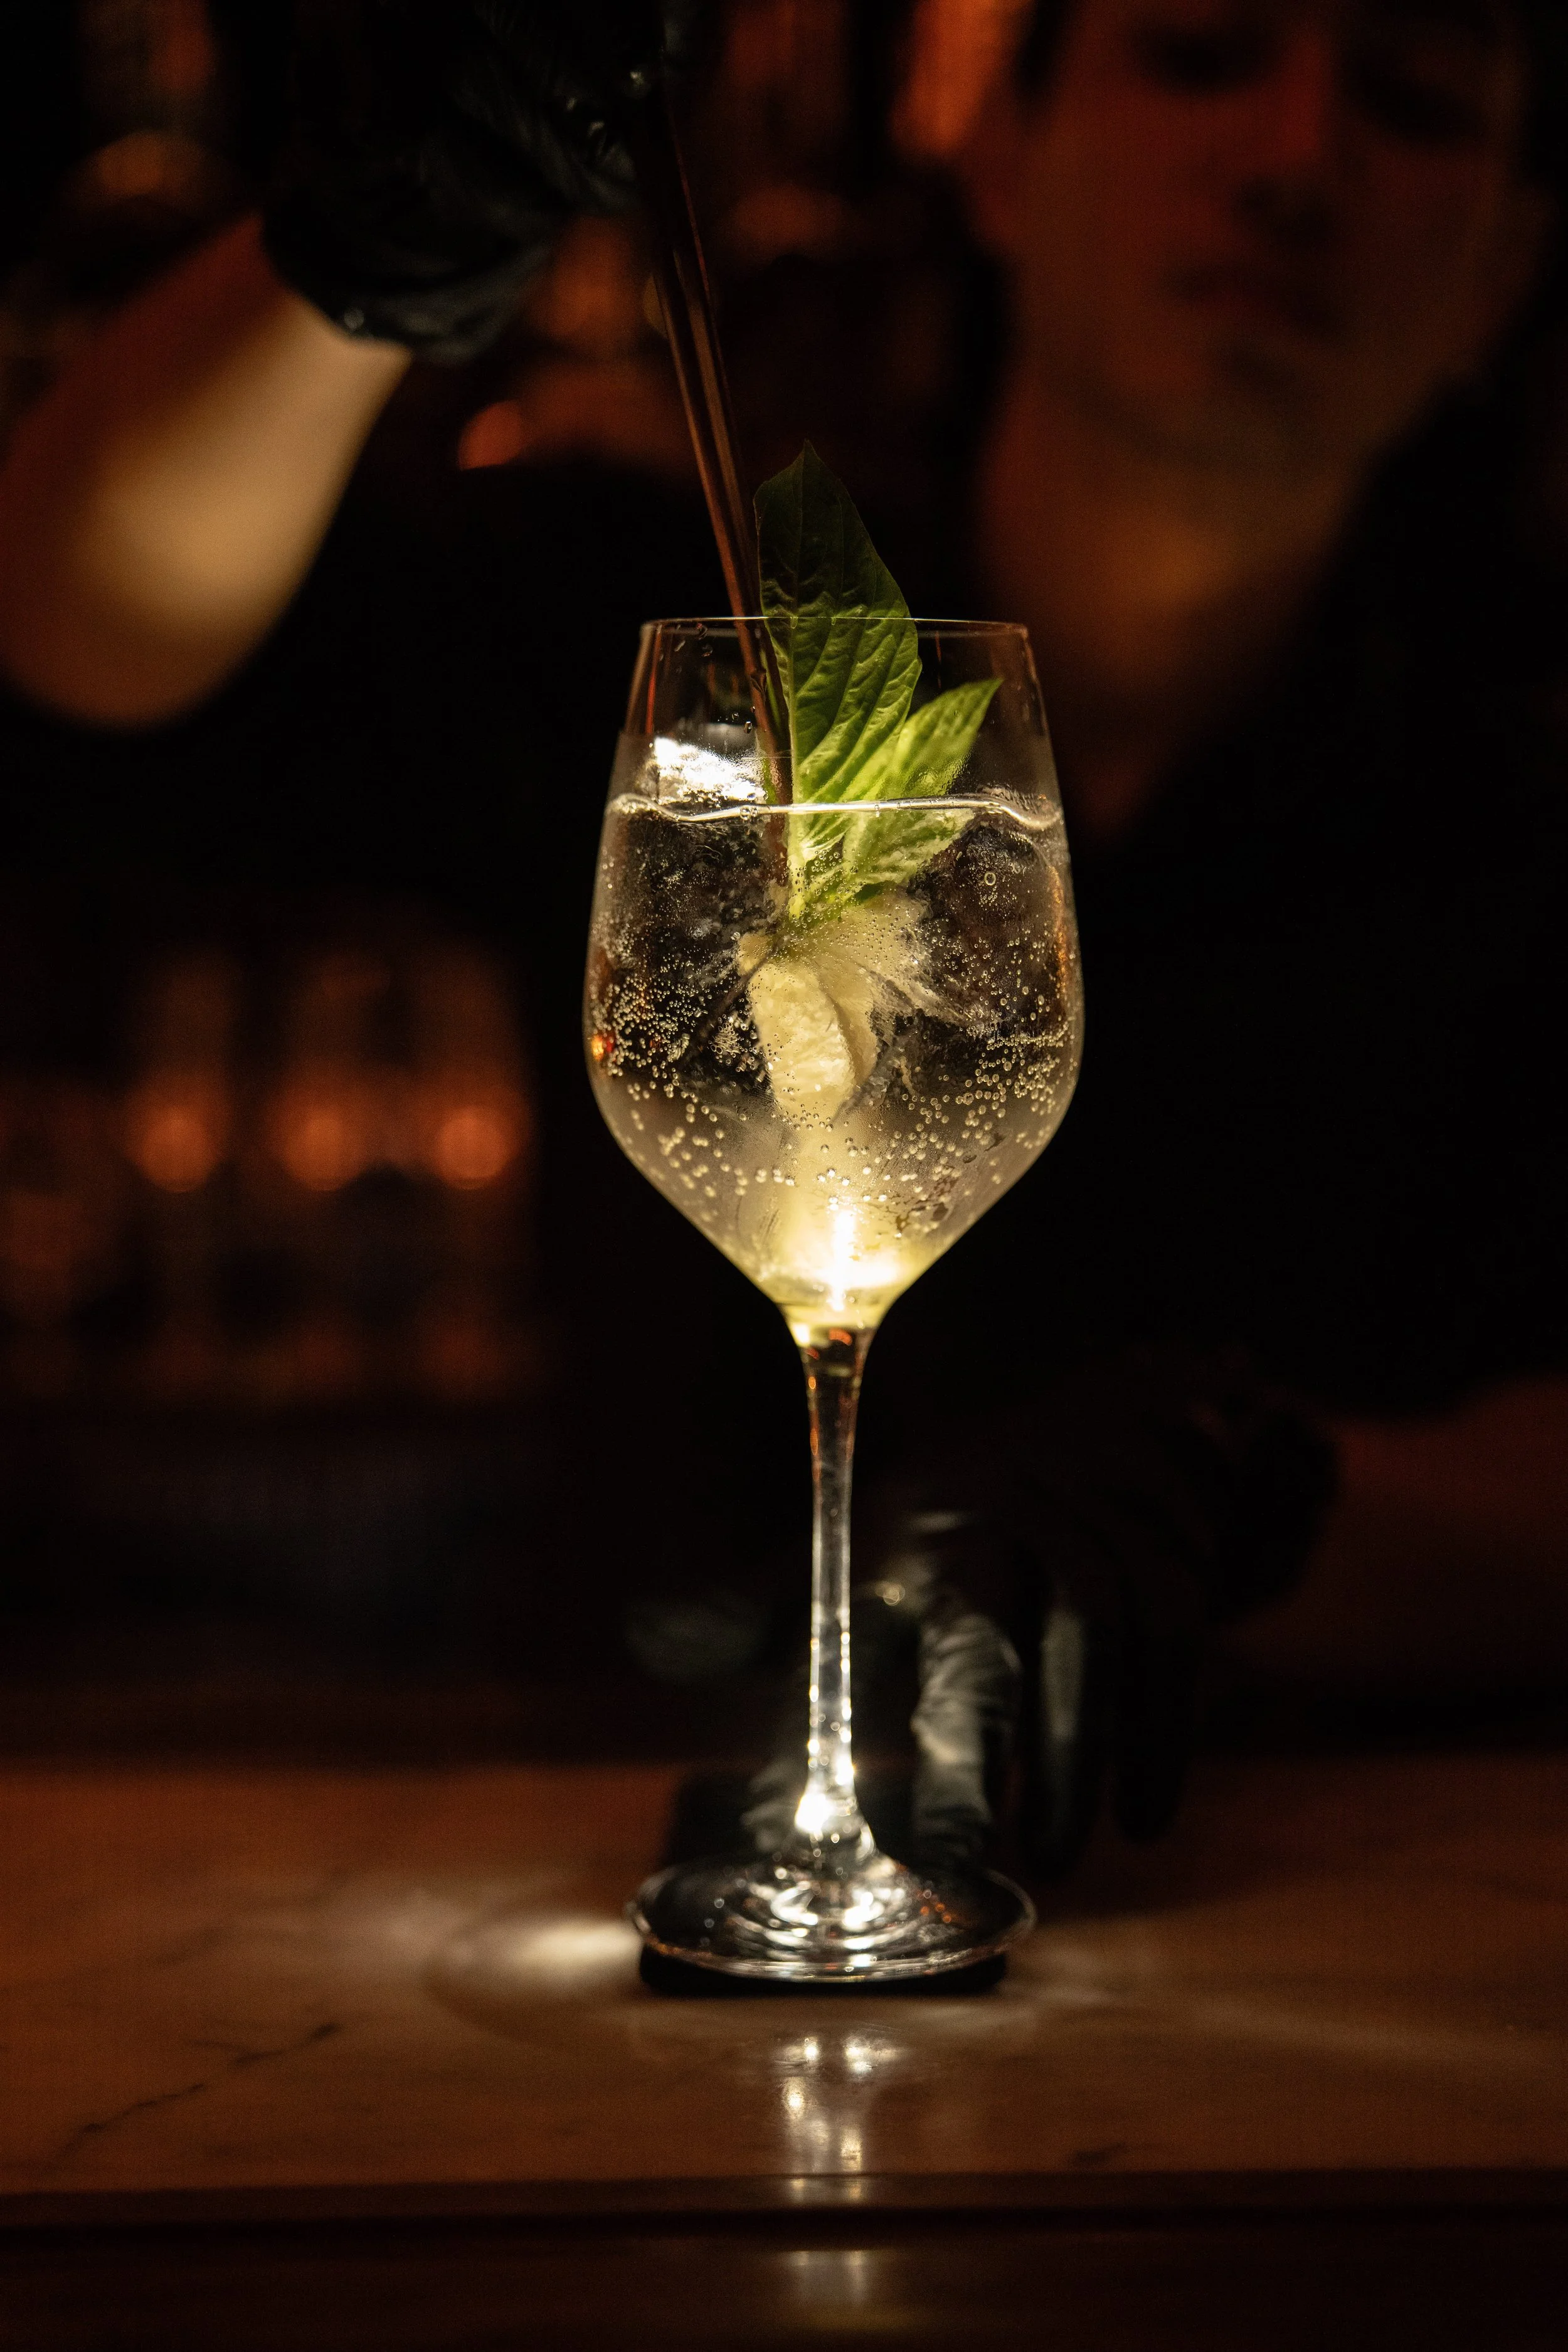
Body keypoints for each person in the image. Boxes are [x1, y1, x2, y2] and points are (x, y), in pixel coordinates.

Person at [2, 0, 1566, 1873]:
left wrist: (1248, 1497)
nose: (1296, 160)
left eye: (1413, 99)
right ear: (997, 150)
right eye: (1198, 54)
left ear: (1508, 263)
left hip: (1321, 1865)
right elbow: (79, 633)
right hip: (596, 1830)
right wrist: (353, 266)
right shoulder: (666, 658)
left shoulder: (1526, 784)